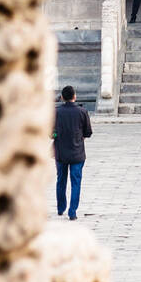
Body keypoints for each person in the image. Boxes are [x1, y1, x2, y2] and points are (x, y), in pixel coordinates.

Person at [52, 85, 92, 220]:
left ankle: (60, 208)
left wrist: (57, 136)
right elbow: (88, 132)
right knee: (76, 182)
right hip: (77, 153)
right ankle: (72, 211)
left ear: (62, 97)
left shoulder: (56, 112)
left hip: (61, 153)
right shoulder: (82, 112)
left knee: (61, 180)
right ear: (74, 96)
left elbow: (50, 133)